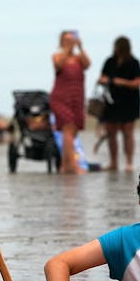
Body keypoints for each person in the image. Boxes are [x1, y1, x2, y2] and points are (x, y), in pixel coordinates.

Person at [98, 36, 140, 172]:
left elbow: (137, 82)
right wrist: (110, 81)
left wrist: (120, 81)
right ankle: (114, 162)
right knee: (111, 132)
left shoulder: (134, 62)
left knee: (128, 132)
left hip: (130, 101)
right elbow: (101, 78)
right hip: (111, 100)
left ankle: (129, 162)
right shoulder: (110, 61)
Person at [49, 30, 91, 174]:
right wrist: (67, 48)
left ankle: (65, 166)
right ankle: (72, 165)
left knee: (73, 131)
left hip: (77, 98)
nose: (69, 42)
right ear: (61, 42)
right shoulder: (58, 56)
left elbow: (88, 64)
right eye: (66, 40)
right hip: (61, 97)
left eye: (71, 39)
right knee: (67, 129)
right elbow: (58, 65)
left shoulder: (79, 58)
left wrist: (80, 47)